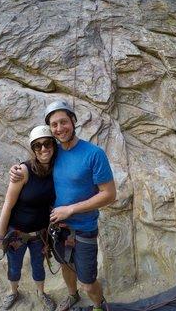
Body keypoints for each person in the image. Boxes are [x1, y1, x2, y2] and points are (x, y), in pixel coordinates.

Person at [10, 100, 116, 311]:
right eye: (54, 125)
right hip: (58, 228)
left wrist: (71, 209)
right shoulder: (53, 152)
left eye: (63, 122)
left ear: (73, 121)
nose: (59, 129)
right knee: (66, 266)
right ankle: (72, 295)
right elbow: (33, 163)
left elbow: (110, 195)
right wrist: (15, 169)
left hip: (84, 228)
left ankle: (98, 305)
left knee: (87, 280)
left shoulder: (94, 154)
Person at [0, 125, 57, 310]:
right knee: (14, 266)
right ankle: (13, 292)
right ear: (33, 149)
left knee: (39, 266)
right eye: (38, 146)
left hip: (40, 233)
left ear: (54, 145)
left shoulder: (57, 169)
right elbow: (8, 204)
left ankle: (41, 292)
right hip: (17, 232)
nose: (43, 149)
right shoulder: (23, 171)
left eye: (47, 144)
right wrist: (0, 236)